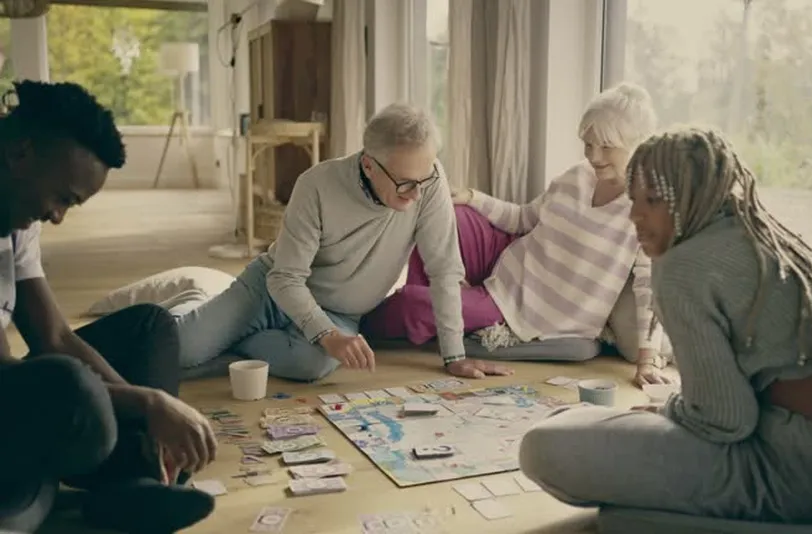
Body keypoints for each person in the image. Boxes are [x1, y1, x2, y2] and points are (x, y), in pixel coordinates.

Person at [518, 127, 812, 523]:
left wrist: (671, 411)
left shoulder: (684, 264)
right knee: (580, 421)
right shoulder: (756, 234)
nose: (635, 215)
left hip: (800, 473)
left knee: (542, 445)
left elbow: (726, 419)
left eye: (653, 200)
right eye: (633, 199)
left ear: (693, 195)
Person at [0, 80, 217, 534]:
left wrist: (147, 419)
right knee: (72, 389)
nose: (57, 217)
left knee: (150, 325)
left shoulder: (16, 216)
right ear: (21, 154)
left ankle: (136, 480)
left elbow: (53, 336)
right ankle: (121, 479)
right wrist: (146, 401)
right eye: (62, 198)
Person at [173, 103, 513, 380]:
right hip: (269, 292)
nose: (418, 194)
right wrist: (328, 336)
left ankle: (237, 339)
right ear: (369, 165)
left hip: (338, 311)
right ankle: (198, 309)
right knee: (183, 352)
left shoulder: (427, 182)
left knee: (312, 365)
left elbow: (444, 269)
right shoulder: (316, 185)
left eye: (425, 179)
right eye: (406, 183)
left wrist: (454, 356)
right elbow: (285, 277)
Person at [362, 84, 670, 386]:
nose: (594, 155)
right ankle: (440, 309)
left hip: (531, 310)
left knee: (415, 304)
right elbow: (524, 218)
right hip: (509, 266)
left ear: (638, 144)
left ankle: (361, 326)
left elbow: (649, 287)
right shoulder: (577, 176)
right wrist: (473, 196)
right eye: (588, 144)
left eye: (606, 146)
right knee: (454, 216)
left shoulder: (646, 207)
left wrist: (647, 359)